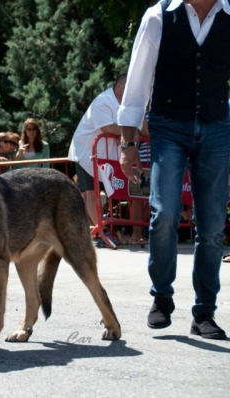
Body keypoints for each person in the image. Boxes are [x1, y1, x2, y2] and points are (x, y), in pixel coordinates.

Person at [117, 0, 230, 340]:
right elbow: (137, 79)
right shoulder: (159, 14)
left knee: (211, 224)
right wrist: (128, 143)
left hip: (217, 125)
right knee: (165, 212)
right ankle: (162, 298)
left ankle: (204, 312)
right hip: (168, 124)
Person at [68, 74, 128, 227]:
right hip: (86, 152)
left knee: (98, 195)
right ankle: (101, 230)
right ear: (120, 87)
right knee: (90, 193)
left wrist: (120, 132)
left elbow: (116, 129)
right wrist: (128, 131)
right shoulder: (103, 101)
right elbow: (108, 127)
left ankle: (98, 229)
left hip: (102, 155)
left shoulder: (122, 103)